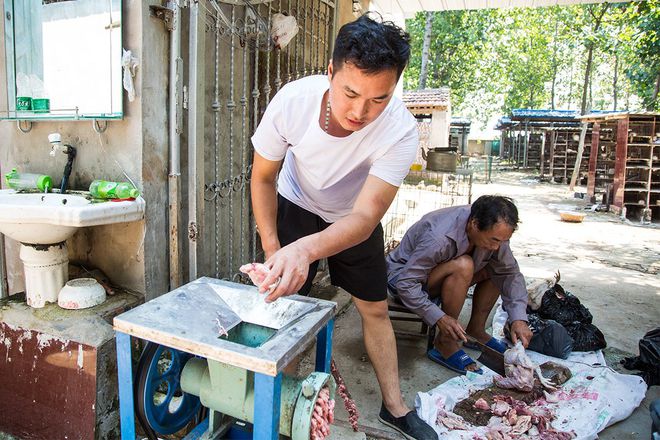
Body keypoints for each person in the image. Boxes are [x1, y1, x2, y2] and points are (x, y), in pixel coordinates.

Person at [250, 13, 437, 440]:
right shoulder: (292, 102)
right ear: (330, 72)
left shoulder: (401, 131)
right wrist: (274, 246)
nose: (360, 111)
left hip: (351, 219)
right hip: (295, 203)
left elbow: (366, 217)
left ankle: (395, 407)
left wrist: (309, 249)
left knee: (374, 308)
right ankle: (281, 403)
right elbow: (262, 178)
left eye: (379, 99)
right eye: (350, 92)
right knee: (283, 305)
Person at [386, 195, 533, 375]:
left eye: (502, 241)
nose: (497, 246)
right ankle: (445, 342)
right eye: (494, 240)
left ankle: (476, 331)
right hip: (404, 280)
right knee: (464, 265)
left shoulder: (493, 237)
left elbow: (510, 273)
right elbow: (406, 284)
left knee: (498, 267)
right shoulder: (438, 237)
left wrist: (518, 318)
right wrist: (439, 317)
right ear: (474, 224)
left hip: (439, 275)